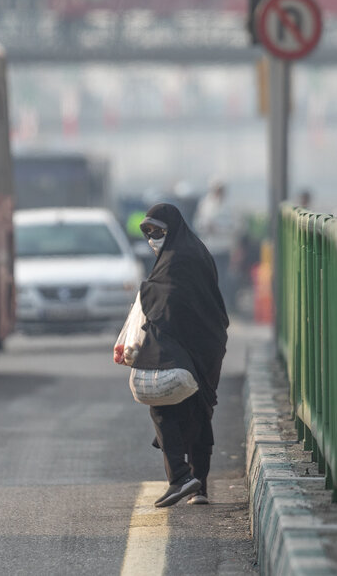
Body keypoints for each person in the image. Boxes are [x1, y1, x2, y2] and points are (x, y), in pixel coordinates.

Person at [115, 203, 230, 507]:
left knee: (162, 405)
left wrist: (144, 295)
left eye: (157, 231)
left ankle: (180, 477)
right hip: (208, 343)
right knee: (197, 409)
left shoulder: (176, 261)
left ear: (173, 229)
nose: (152, 238)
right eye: (148, 232)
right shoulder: (196, 251)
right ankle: (199, 485)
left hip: (183, 343)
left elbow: (160, 302)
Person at [194, 178, 235, 307]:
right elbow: (198, 223)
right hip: (210, 248)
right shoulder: (205, 204)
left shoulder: (229, 205)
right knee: (210, 278)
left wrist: (219, 228)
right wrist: (208, 227)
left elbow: (234, 225)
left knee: (223, 278)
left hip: (224, 248)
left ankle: (222, 304)